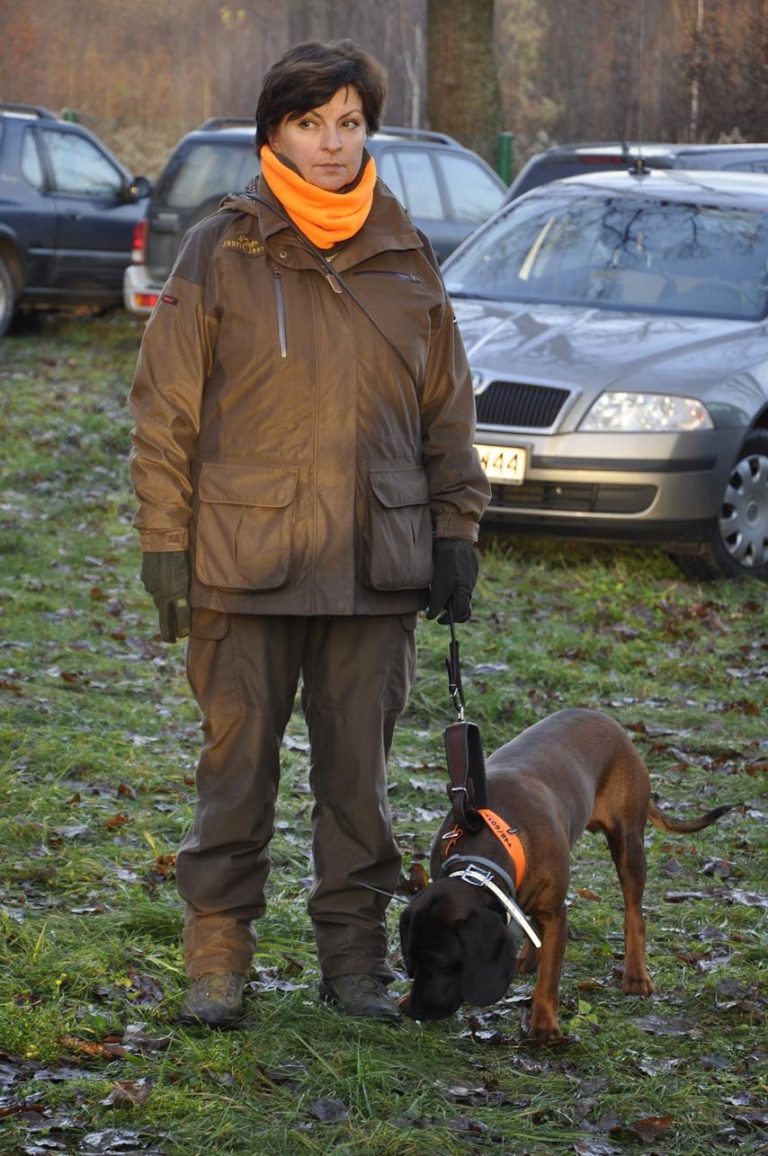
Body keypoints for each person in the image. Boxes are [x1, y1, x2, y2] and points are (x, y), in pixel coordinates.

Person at [128, 39, 490, 1029]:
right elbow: (165, 406)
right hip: (244, 566)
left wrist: (456, 526)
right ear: (273, 136)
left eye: (350, 124)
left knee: (358, 790)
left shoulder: (408, 258)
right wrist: (166, 535)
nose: (332, 145)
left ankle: (357, 961)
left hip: (375, 569)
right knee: (234, 776)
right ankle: (218, 954)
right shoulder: (222, 249)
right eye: (309, 123)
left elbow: (448, 412)